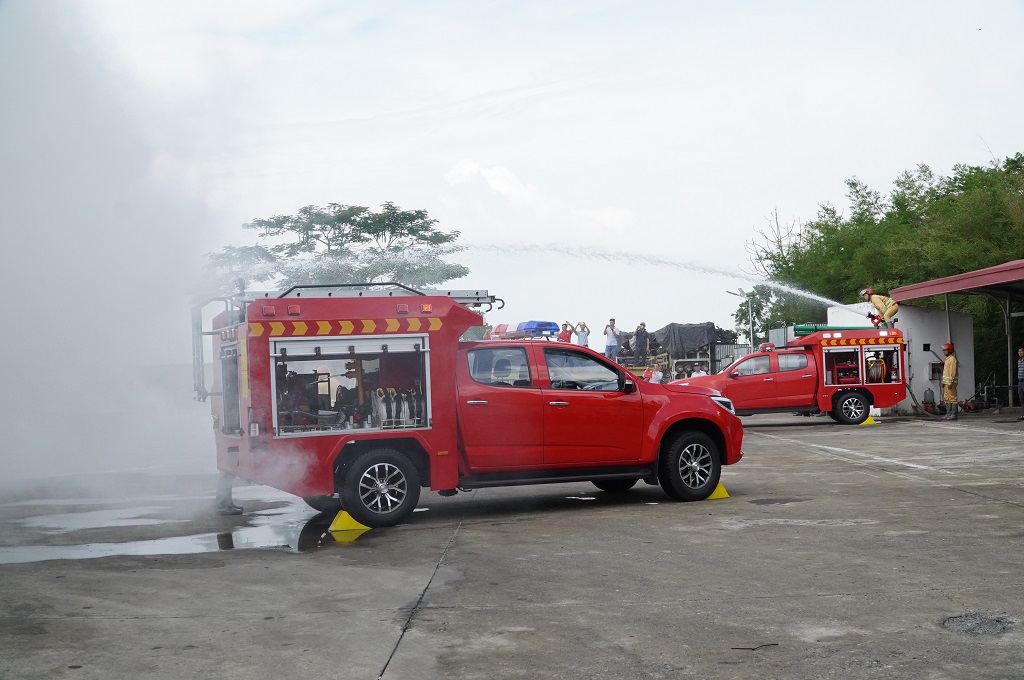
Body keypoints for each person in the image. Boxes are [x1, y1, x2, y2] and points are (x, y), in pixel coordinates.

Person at [941, 343, 959, 421]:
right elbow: (945, 373)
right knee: (947, 398)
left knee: (952, 398)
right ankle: (948, 413)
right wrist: (943, 382)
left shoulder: (952, 359)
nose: (943, 351)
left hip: (950, 383)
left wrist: (951, 382)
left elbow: (952, 371)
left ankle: (954, 414)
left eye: (945, 350)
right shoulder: (947, 359)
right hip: (946, 383)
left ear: (949, 350)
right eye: (943, 350)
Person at [1017, 346, 1024, 420]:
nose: (1020, 353)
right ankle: (1022, 414)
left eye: (1021, 351)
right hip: (1020, 381)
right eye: (1019, 352)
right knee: (1021, 398)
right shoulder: (1019, 361)